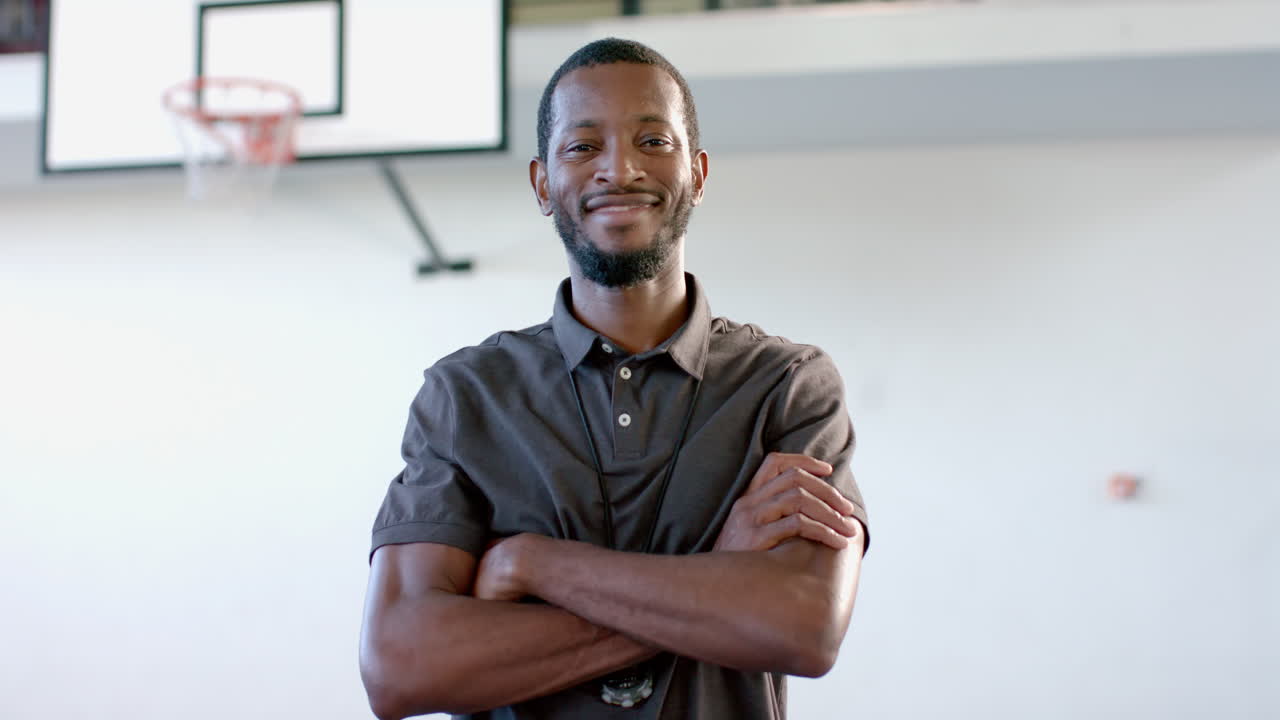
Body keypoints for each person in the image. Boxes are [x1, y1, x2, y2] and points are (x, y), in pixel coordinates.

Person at [359, 38, 869, 719]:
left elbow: (802, 629)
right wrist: (715, 581)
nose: (620, 168)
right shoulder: (466, 395)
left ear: (698, 173)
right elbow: (400, 668)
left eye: (653, 140)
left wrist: (532, 565)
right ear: (543, 184)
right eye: (582, 147)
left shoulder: (788, 385)